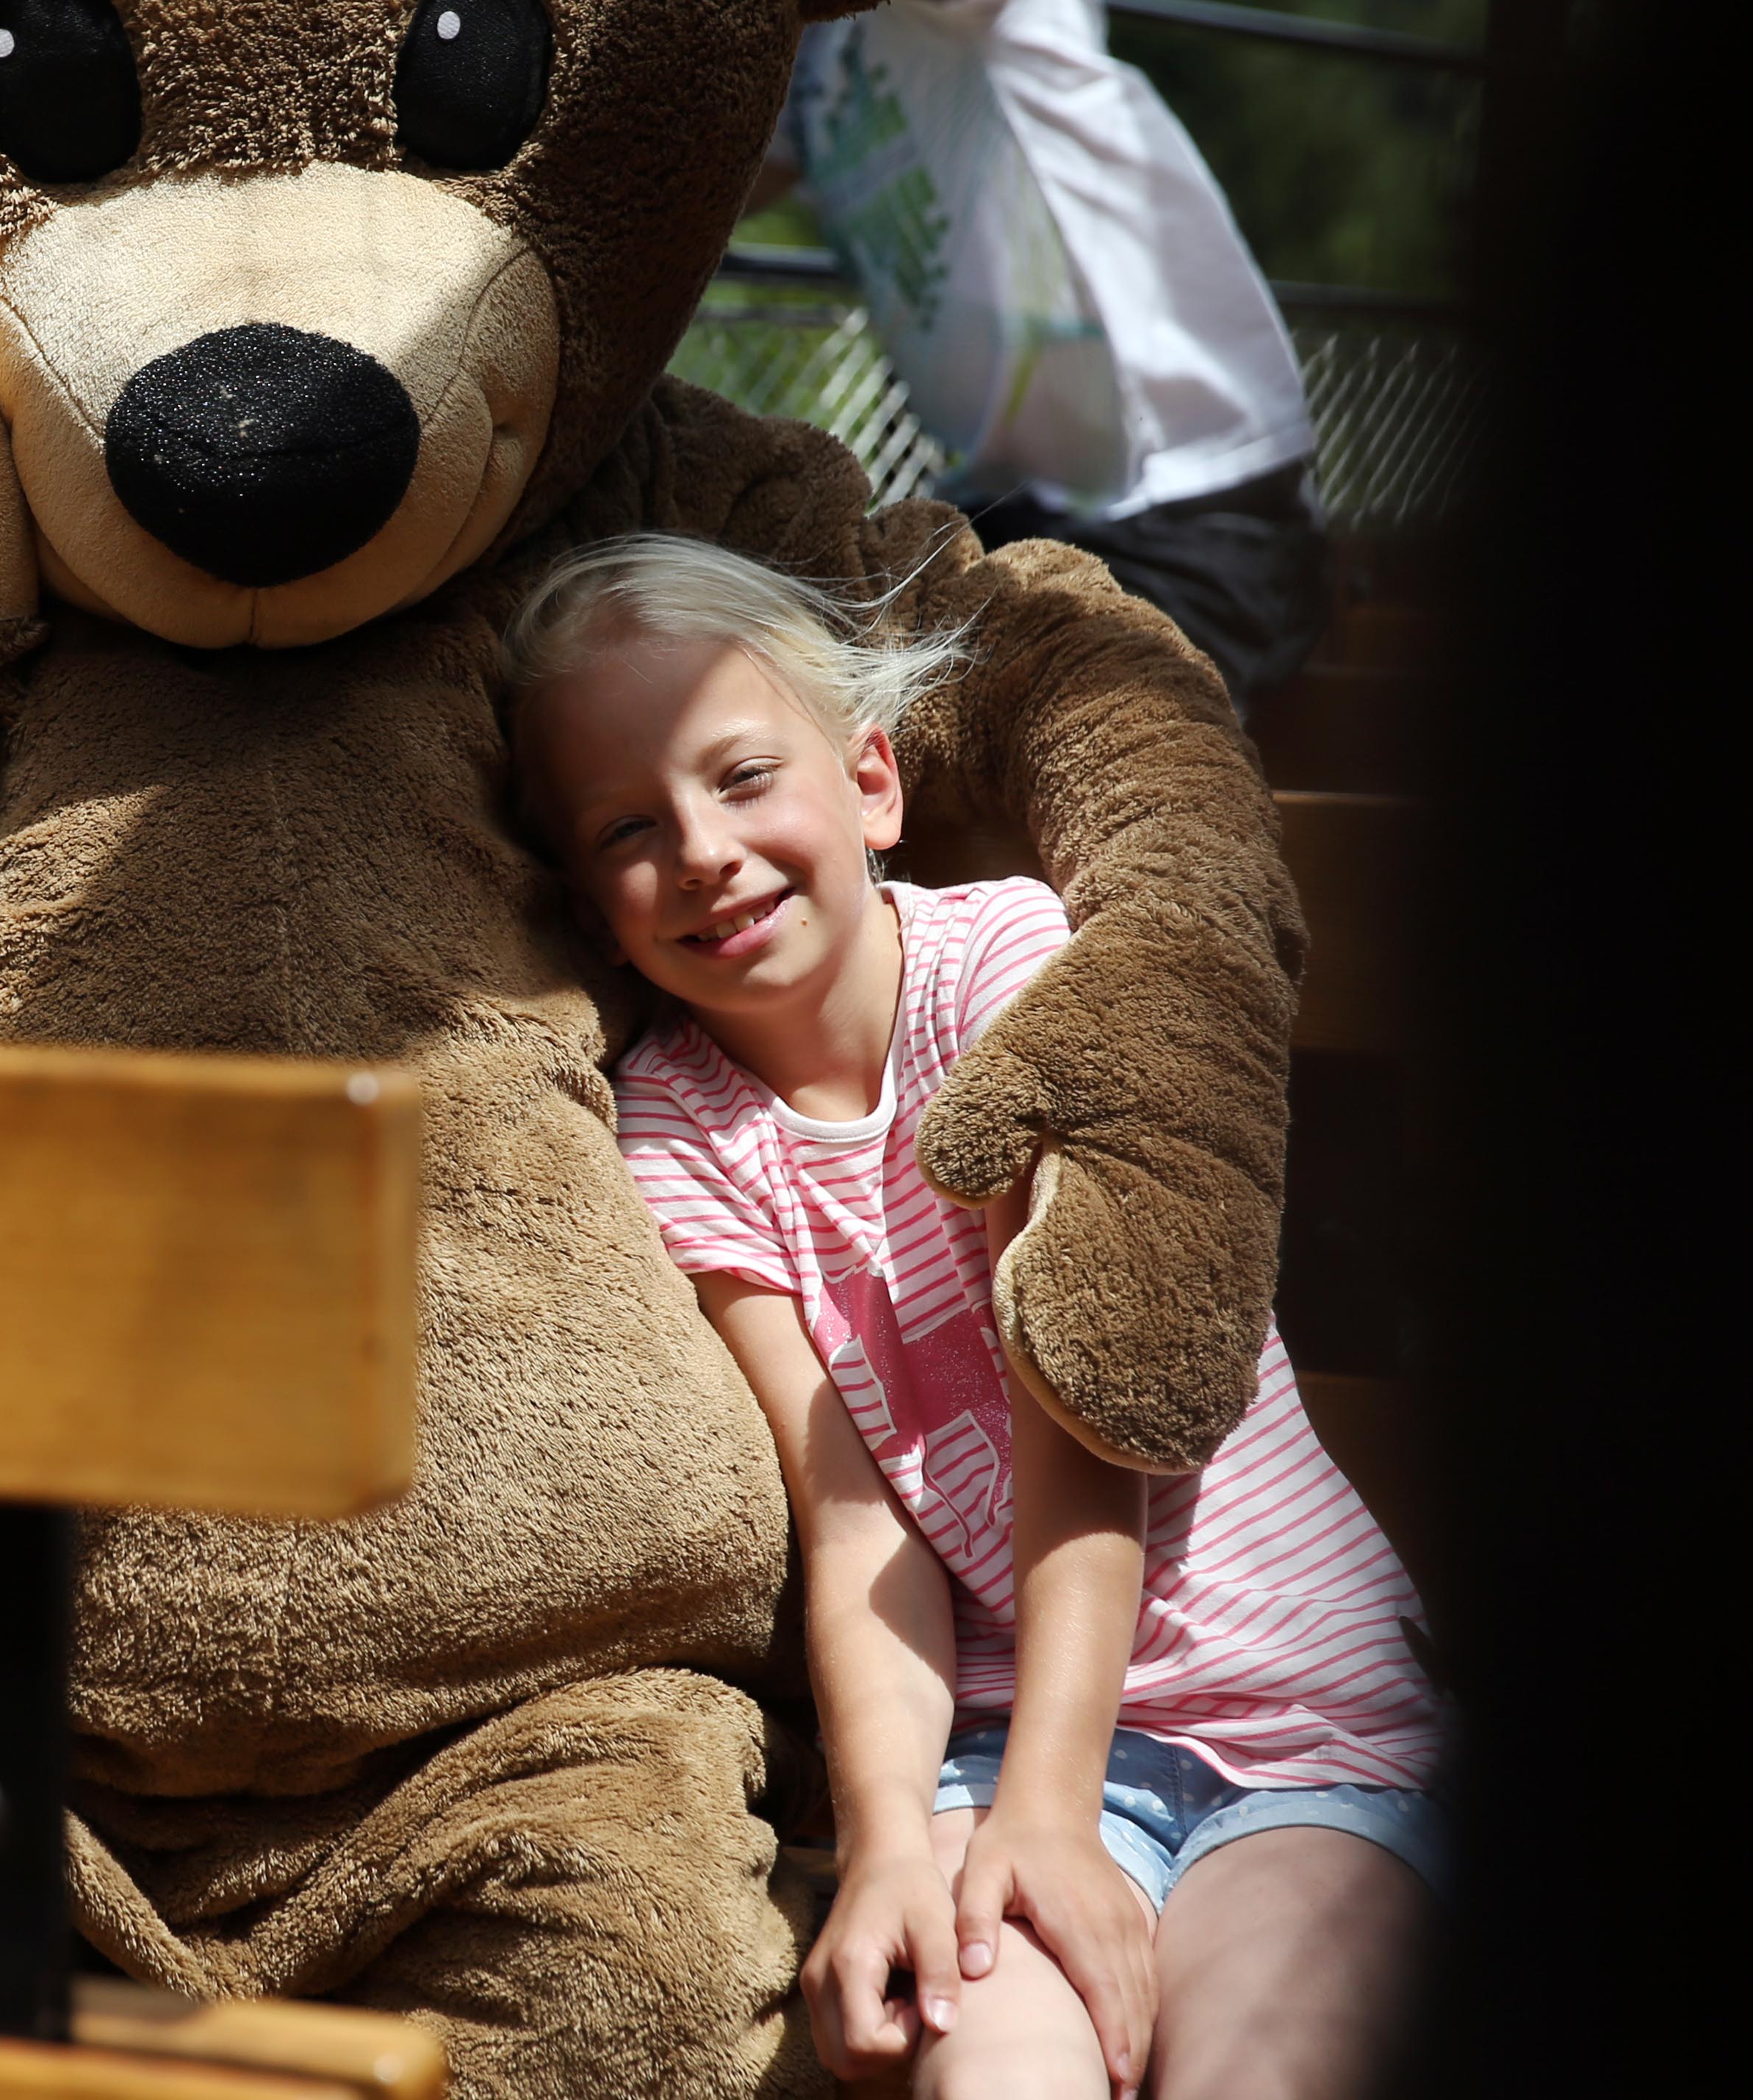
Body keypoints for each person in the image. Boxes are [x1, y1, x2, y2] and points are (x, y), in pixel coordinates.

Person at [504, 533, 1441, 2099]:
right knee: (989, 2071)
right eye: (627, 826)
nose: (704, 849)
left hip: (1295, 1725)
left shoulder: (1004, 968)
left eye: (740, 776)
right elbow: (849, 1515)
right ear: (591, 910)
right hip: (992, 1739)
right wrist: (883, 1843)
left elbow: (1079, 1420)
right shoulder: (671, 1135)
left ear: (870, 781)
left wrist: (1055, 1815)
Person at [752, 0, 1327, 702]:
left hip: (1188, 493)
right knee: (815, 664)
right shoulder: (816, 57)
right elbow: (708, 184)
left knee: (1029, 728)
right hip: (1011, 501)